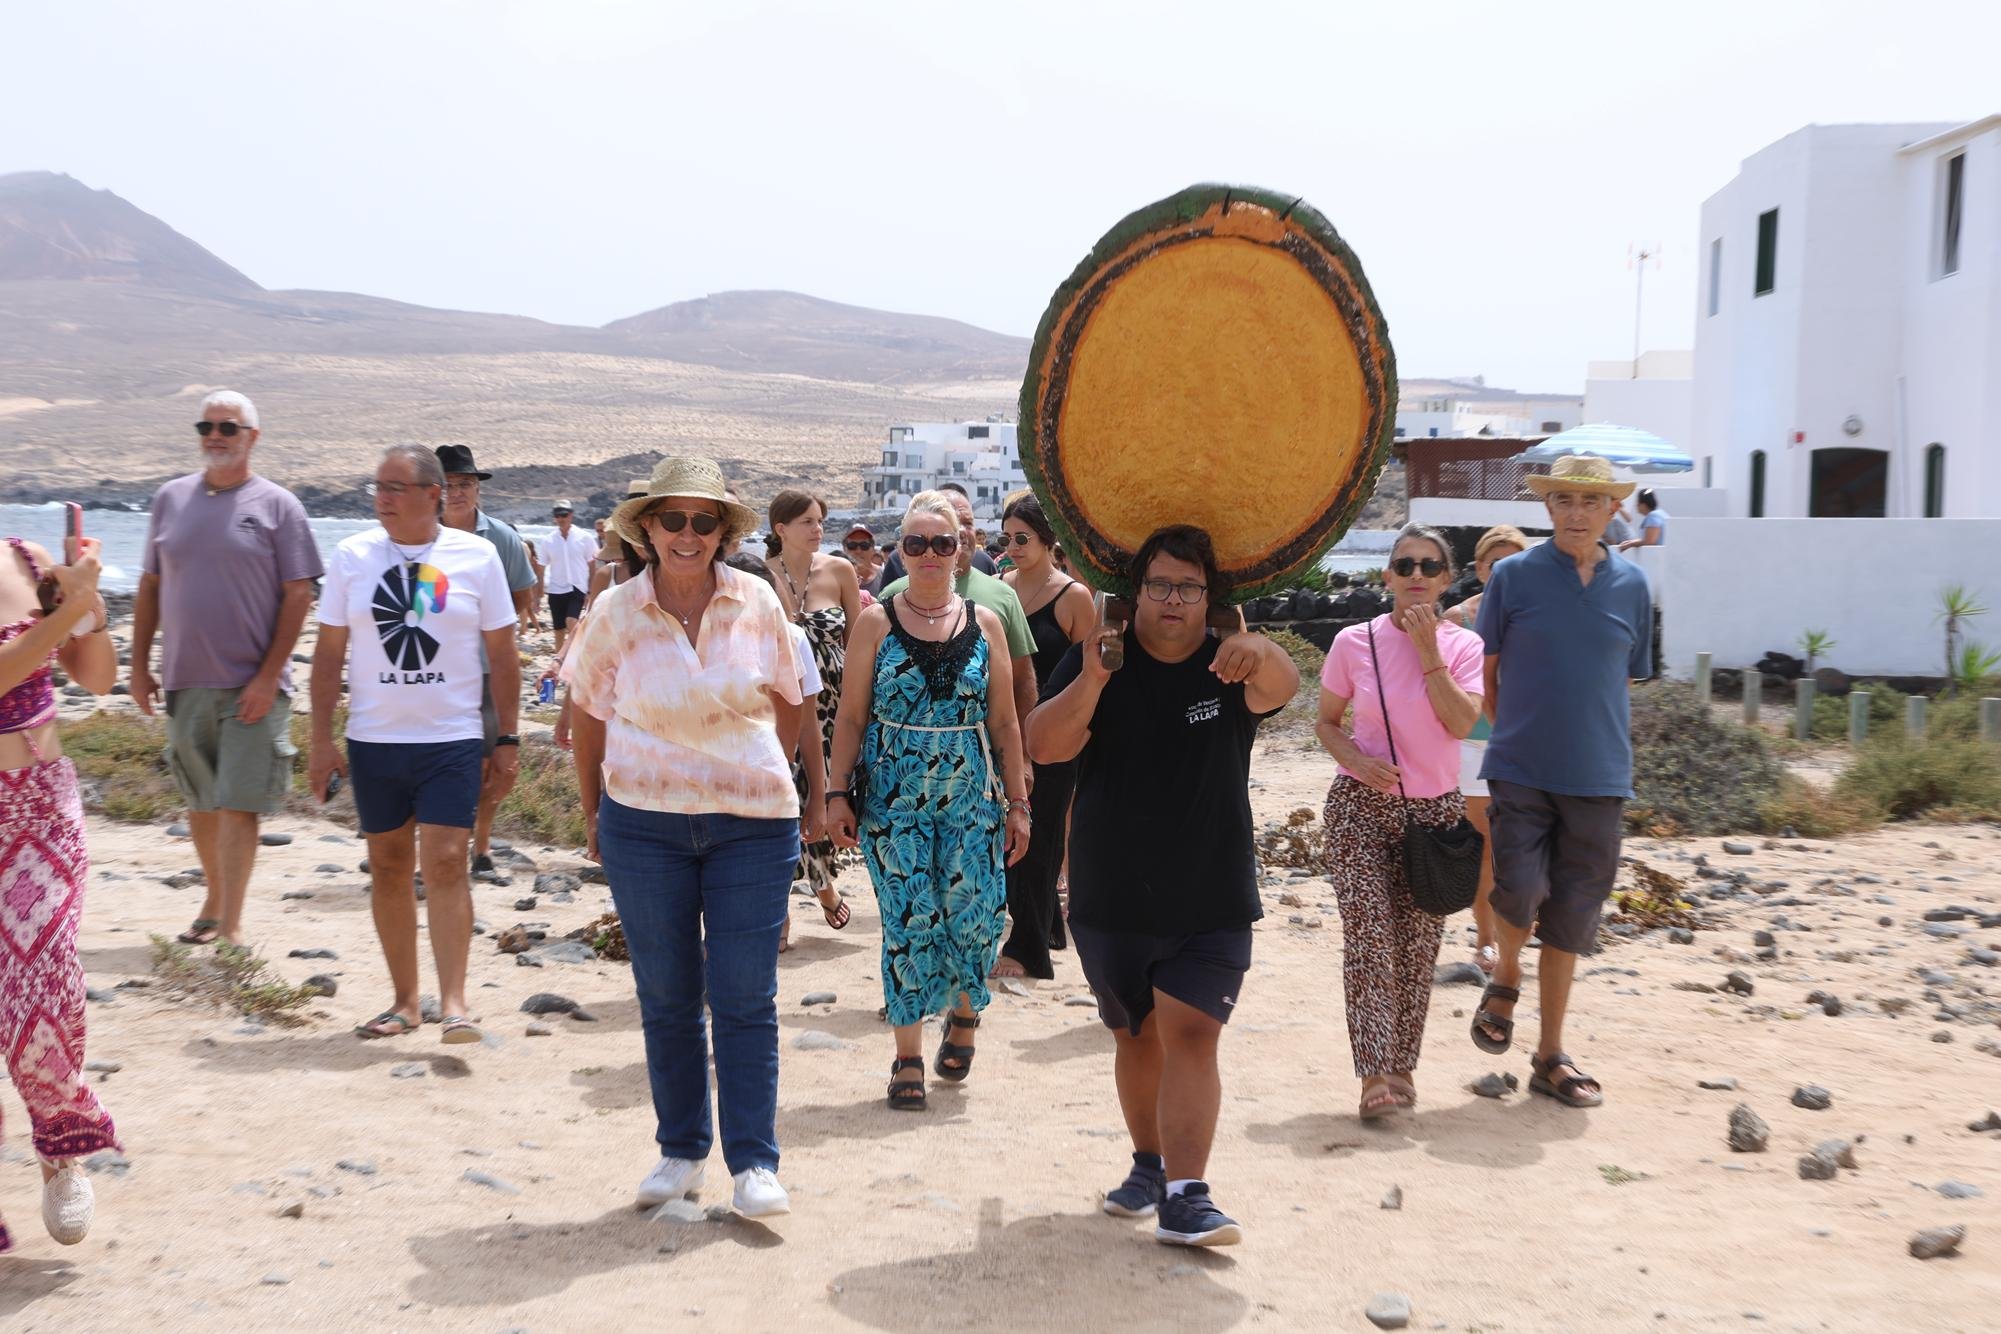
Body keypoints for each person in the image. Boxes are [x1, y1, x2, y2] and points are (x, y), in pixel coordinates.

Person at [1026, 525, 1297, 1248]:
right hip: (1111, 890)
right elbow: (1043, 744)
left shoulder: (1227, 666)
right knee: (1135, 1033)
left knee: (1193, 1033)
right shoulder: (1099, 660)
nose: (1173, 600)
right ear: (1135, 590)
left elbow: (1282, 688)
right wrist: (1092, 676)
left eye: (1188, 587)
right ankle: (1147, 1166)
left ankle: (1187, 1195)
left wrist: (1262, 649)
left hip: (1210, 888)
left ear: (1208, 598)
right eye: (1160, 585)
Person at [567, 458, 803, 1218]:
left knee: (745, 994)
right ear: (647, 529)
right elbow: (586, 713)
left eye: (705, 522)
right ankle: (680, 1152)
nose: (689, 535)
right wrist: (593, 810)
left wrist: (773, 774)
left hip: (751, 828)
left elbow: (791, 699)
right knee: (666, 995)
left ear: (722, 533)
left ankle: (754, 1166)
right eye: (674, 520)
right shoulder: (615, 611)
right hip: (643, 825)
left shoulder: (757, 599)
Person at [308, 446, 520, 1047]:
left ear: (433, 494)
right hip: (375, 740)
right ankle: (405, 1002)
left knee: (449, 860)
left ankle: (455, 1002)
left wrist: (506, 737)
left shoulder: (475, 557)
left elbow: (503, 657)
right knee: (389, 866)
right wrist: (320, 740)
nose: (383, 496)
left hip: (450, 739)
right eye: (378, 485)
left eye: (397, 487)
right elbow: (327, 657)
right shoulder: (352, 556)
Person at [827, 491, 1029, 1112]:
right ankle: (907, 1057)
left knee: (974, 916)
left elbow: (1004, 722)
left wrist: (1018, 801)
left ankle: (964, 1018)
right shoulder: (875, 622)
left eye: (943, 543)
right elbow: (853, 716)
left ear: (962, 549)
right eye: (916, 543)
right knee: (909, 921)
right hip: (895, 801)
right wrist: (837, 793)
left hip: (971, 798)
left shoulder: (986, 623)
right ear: (900, 553)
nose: (930, 554)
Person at [1471, 455, 1653, 1109]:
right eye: (1564, 500)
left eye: (1590, 501)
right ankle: (1506, 977)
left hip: (1601, 776)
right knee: (1517, 885)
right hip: (1519, 766)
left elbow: (1622, 678)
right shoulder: (1514, 577)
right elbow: (1488, 673)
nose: (1576, 513)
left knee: (1572, 918)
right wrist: (1517, 733)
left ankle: (1549, 1055)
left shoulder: (1632, 585)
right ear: (1547, 509)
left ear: (1612, 510)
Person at [130, 390, 322, 947]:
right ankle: (215, 899)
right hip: (185, 678)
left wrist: (268, 675)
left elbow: (298, 594)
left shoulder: (279, 506)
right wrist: (140, 667)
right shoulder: (170, 499)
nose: (215, 435)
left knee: (239, 802)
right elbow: (150, 586)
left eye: (229, 428)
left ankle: (232, 926)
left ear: (252, 437)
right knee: (201, 800)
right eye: (207, 425)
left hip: (253, 685)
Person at [1315, 524, 1485, 1120]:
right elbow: (1327, 722)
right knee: (1369, 937)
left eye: (1429, 567)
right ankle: (1373, 1075)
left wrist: (1429, 654)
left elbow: (1465, 726)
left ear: (1446, 579)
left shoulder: (1464, 648)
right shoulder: (1351, 642)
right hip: (1360, 808)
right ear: (1386, 577)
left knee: (1417, 948)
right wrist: (1357, 760)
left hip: (1435, 814)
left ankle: (1403, 1068)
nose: (1416, 575)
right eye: (1405, 565)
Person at [0, 530, 119, 1250]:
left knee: (41, 987)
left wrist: (90, 607)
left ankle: (61, 1151)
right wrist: (62, 612)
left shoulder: (28, 558)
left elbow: (98, 678)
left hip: (41, 805)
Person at [994, 493, 1093, 980]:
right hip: (1008, 729)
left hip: (1058, 734)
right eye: (1006, 537)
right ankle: (1049, 925)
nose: (1012, 547)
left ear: (1048, 539)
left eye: (1022, 538)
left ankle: (1028, 948)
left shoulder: (1072, 596)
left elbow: (1093, 671)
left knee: (1044, 832)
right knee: (1012, 832)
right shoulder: (1001, 587)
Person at [436, 445, 539, 886]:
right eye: (449, 485)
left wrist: (497, 634)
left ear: (477, 488)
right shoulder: (420, 537)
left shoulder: (502, 539)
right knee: (443, 763)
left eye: (465, 484)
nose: (457, 493)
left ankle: (480, 844)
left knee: (496, 764)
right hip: (437, 673)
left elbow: (522, 596)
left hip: (489, 671)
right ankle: (447, 849)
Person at [763, 490, 862, 942]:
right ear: (780, 528)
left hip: (835, 708)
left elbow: (861, 643)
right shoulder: (761, 577)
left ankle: (822, 884)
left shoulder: (840, 570)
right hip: (785, 704)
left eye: (820, 520)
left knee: (822, 800)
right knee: (787, 801)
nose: (817, 528)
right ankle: (787, 906)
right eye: (806, 521)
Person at [879, 488, 1039, 745]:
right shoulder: (889, 601)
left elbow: (1021, 682)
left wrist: (1023, 759)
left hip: (977, 763)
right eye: (920, 543)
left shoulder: (1002, 596)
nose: (963, 531)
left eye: (968, 523)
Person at [1445, 524, 1529, 973]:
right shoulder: (1457, 619)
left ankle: (1518, 927)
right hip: (1474, 743)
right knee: (1487, 846)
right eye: (1497, 562)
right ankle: (1485, 939)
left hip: (1526, 745)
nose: (1506, 570)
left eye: (1516, 561)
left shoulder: (1537, 614)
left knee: (1525, 844)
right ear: (1479, 568)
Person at [873, 481, 998, 584]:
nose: (961, 531)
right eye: (954, 521)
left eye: (968, 523)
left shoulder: (987, 565)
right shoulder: (897, 562)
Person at [541, 500, 598, 656]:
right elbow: (541, 566)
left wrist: (591, 589)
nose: (561, 518)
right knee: (558, 629)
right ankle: (559, 663)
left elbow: (592, 564)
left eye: (564, 514)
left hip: (577, 587)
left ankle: (580, 656)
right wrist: (537, 594)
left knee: (571, 622)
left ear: (571, 515)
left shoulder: (584, 537)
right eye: (557, 515)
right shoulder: (548, 540)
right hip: (555, 589)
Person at [523, 538, 546, 631]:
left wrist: (538, 594)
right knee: (527, 609)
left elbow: (538, 577)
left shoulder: (533, 561)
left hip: (531, 588)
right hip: (528, 587)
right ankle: (531, 628)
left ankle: (536, 628)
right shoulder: (531, 559)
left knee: (528, 609)